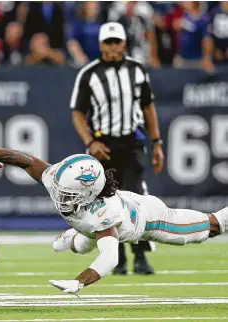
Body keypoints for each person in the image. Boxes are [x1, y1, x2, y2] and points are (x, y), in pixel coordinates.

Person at [0, 139, 228, 294]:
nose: (61, 197)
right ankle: (75, 237)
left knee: (211, 226)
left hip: (151, 219)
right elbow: (23, 159)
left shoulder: (103, 212)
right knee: (77, 241)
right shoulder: (58, 179)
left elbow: (110, 257)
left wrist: (79, 281)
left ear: (88, 194)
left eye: (68, 194)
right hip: (96, 223)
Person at [70, 22, 164, 275]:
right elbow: (77, 112)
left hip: (131, 143)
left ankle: (141, 256)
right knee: (107, 203)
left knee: (136, 198)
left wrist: (157, 143)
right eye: (108, 42)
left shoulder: (137, 70)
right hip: (104, 146)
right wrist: (91, 142)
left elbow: (148, 108)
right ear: (101, 44)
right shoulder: (89, 74)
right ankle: (119, 257)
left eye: (117, 42)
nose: (113, 47)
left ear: (124, 43)